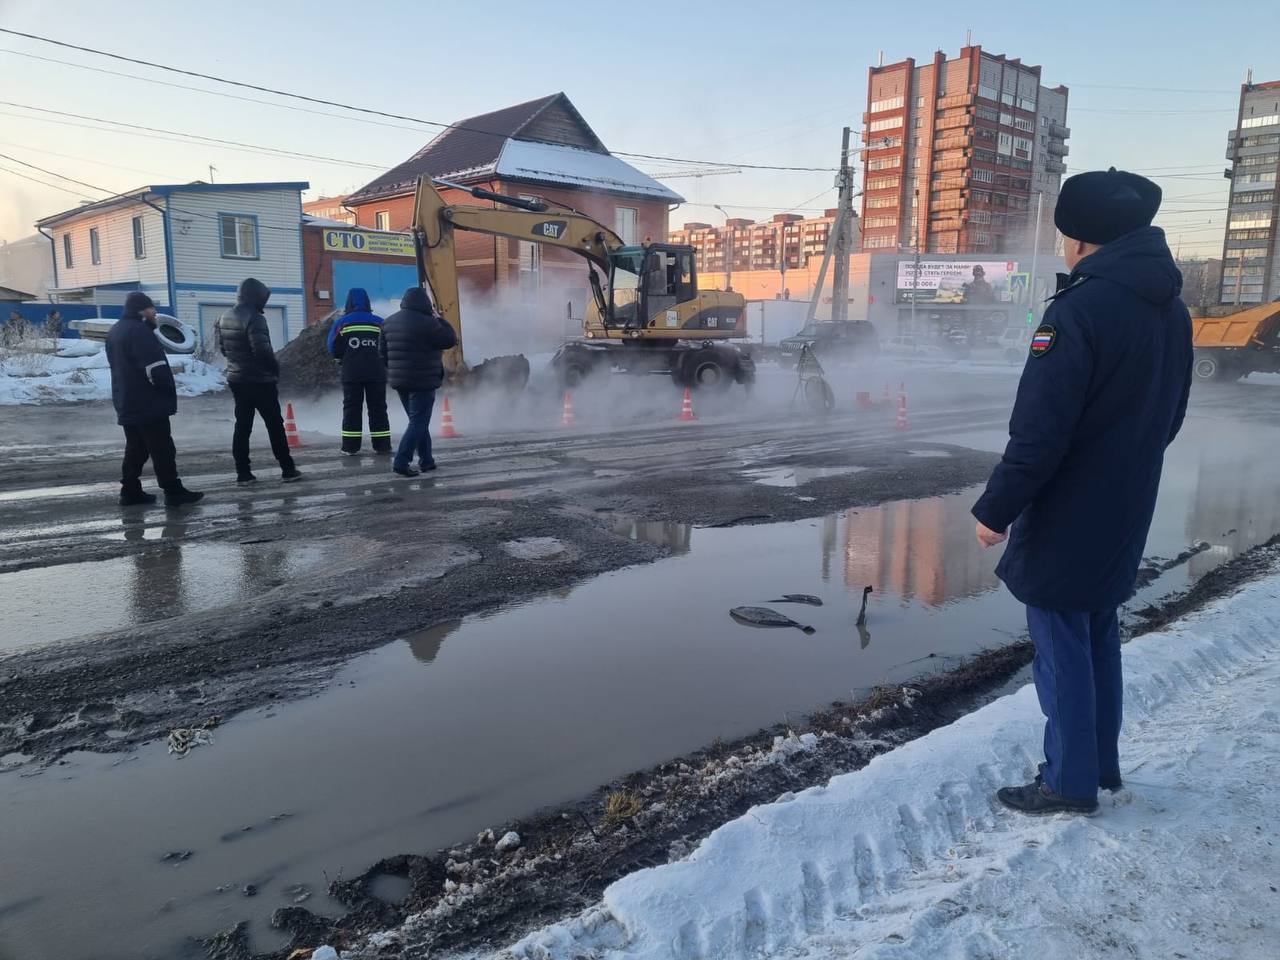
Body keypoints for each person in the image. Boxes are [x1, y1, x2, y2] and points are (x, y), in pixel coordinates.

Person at [971, 168, 1193, 815]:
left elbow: (1039, 434)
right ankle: (1100, 766)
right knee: (1097, 632)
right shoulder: (1171, 310)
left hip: (1069, 511)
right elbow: (1171, 418)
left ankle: (1068, 781)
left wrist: (995, 511)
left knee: (1062, 643)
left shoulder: (1078, 311)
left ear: (1079, 239)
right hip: (1128, 503)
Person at [105, 292, 203, 507]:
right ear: (141, 310)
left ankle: (129, 490)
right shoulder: (140, 332)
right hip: (148, 402)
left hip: (126, 400)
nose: (155, 312)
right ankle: (173, 491)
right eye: (151, 308)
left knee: (136, 448)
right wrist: (167, 390)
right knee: (162, 448)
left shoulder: (115, 331)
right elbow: (155, 368)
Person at [215, 278, 302, 485]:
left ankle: (243, 473)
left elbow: (224, 349)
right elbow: (262, 351)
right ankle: (288, 469)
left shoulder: (225, 316)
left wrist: (237, 364)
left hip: (237, 378)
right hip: (260, 381)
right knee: (274, 425)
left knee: (243, 426)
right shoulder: (255, 318)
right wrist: (274, 368)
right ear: (257, 297)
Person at [379, 286, 457, 477]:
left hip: (400, 381)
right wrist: (439, 318)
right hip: (423, 381)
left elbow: (382, 355)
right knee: (418, 422)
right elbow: (449, 339)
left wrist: (397, 370)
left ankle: (427, 460)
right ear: (425, 303)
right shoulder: (429, 323)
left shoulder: (388, 323)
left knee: (417, 421)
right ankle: (401, 461)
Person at [326, 287, 391, 456]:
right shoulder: (379, 322)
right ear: (368, 302)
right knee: (378, 408)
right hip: (376, 373)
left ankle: (350, 447)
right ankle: (382, 446)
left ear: (348, 302)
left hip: (351, 374)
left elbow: (332, 347)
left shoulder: (342, 322)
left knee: (352, 409)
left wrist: (343, 357)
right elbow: (388, 345)